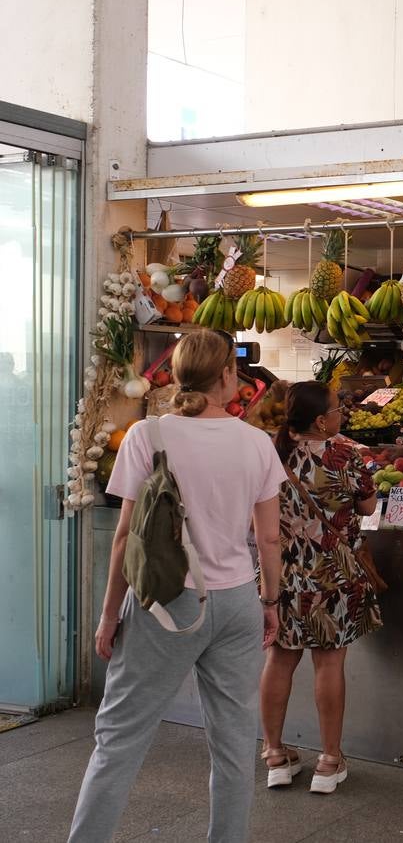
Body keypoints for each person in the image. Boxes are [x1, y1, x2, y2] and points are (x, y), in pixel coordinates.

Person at [70, 331, 286, 843]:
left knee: (119, 739)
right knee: (234, 745)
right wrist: (270, 602)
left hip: (164, 603)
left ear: (177, 374)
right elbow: (270, 537)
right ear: (228, 377)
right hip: (236, 602)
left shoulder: (148, 436)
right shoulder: (257, 442)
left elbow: (125, 536)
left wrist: (109, 614)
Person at [259, 381, 382, 794]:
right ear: (319, 419)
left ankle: (274, 754)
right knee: (329, 664)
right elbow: (367, 507)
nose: (341, 414)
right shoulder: (345, 455)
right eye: (335, 409)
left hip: (285, 574)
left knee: (279, 661)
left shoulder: (270, 453)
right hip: (333, 575)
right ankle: (329, 761)